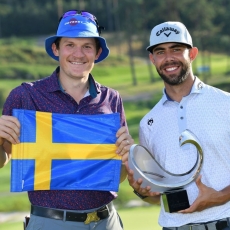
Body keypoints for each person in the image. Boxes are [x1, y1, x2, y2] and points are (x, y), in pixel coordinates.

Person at [0, 10, 133, 230]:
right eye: (70, 45)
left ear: (97, 52)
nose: (78, 54)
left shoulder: (112, 99)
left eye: (87, 46)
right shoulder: (26, 96)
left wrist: (127, 157)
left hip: (106, 221)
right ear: (56, 49)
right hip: (52, 222)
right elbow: (3, 158)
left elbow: (115, 176)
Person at [126, 21, 230, 230]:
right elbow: (157, 196)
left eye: (176, 49)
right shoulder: (149, 123)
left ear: (192, 54)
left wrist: (220, 196)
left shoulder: (225, 104)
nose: (168, 58)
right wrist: (143, 192)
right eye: (160, 51)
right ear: (152, 59)